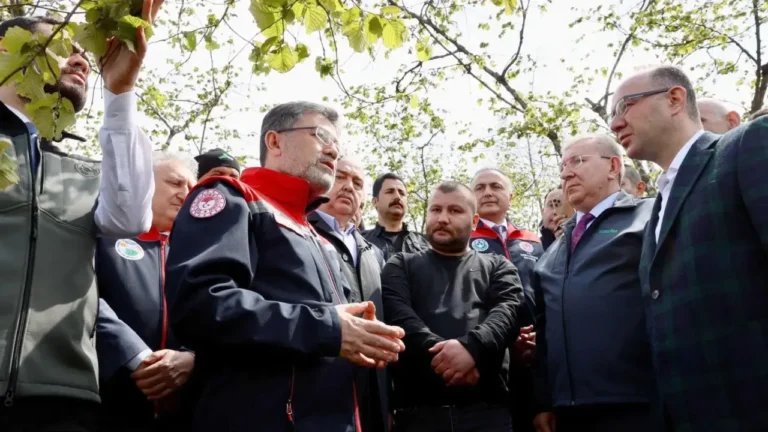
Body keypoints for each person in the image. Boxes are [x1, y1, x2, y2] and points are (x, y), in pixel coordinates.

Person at [165, 101, 406, 432]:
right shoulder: (234, 199)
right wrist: (327, 328)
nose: (333, 151)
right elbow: (201, 305)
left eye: (337, 143)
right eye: (321, 135)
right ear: (275, 141)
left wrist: (366, 339)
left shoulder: (320, 240)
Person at [0, 5, 162, 430]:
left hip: (65, 402)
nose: (80, 59)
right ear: (6, 51)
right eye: (61, 46)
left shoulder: (84, 173)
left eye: (83, 52)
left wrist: (122, 90)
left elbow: (128, 219)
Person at [610, 65, 768, 431]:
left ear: (675, 99)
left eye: (624, 107)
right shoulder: (658, 206)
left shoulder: (748, 146)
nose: (615, 125)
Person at [532, 134, 656, 432]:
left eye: (578, 161)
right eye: (563, 166)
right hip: (568, 411)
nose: (566, 173)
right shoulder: (553, 251)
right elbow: (544, 333)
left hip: (640, 404)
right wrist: (543, 400)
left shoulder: (649, 217)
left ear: (614, 166)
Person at [383, 181, 524, 432]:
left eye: (455, 211)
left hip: (487, 413)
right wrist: (449, 359)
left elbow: (509, 312)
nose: (443, 218)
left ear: (474, 220)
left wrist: (472, 348)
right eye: (435, 210)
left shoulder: (499, 267)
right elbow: (399, 316)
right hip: (417, 414)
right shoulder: (400, 265)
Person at [96, 152, 197, 431]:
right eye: (176, 183)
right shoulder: (103, 234)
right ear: (143, 184)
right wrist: (135, 357)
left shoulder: (200, 254)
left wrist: (191, 358)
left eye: (191, 188)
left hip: (184, 407)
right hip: (107, 399)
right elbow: (84, 296)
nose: (185, 194)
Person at [309, 156, 389, 432]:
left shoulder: (373, 252)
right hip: (319, 392)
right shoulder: (300, 234)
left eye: (357, 183)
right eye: (340, 177)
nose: (348, 187)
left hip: (372, 389)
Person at [468, 167, 543, 432]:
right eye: (480, 188)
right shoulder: (464, 240)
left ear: (510, 196)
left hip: (535, 356)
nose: (488, 192)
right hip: (489, 356)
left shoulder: (532, 241)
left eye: (495, 186)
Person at [363, 173, 429, 260]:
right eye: (390, 191)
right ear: (375, 202)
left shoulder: (427, 244)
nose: (397, 196)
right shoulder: (360, 242)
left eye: (402, 193)